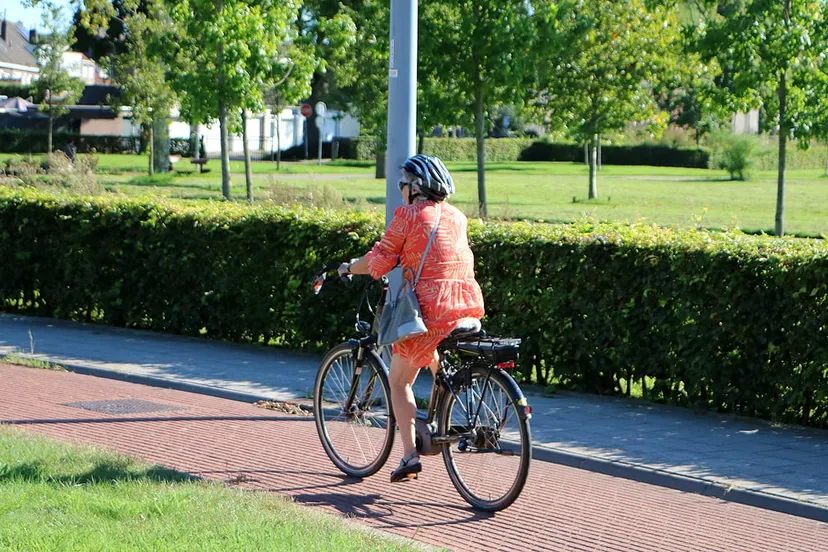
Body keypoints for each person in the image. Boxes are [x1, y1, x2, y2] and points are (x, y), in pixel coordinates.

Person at [338, 154, 485, 483]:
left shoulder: (408, 215)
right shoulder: (457, 216)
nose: (401, 189)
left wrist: (348, 267)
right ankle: (447, 394)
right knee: (429, 346)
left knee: (399, 381)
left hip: (431, 310)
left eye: (403, 183)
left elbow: (380, 259)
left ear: (415, 188)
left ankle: (408, 455)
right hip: (466, 304)